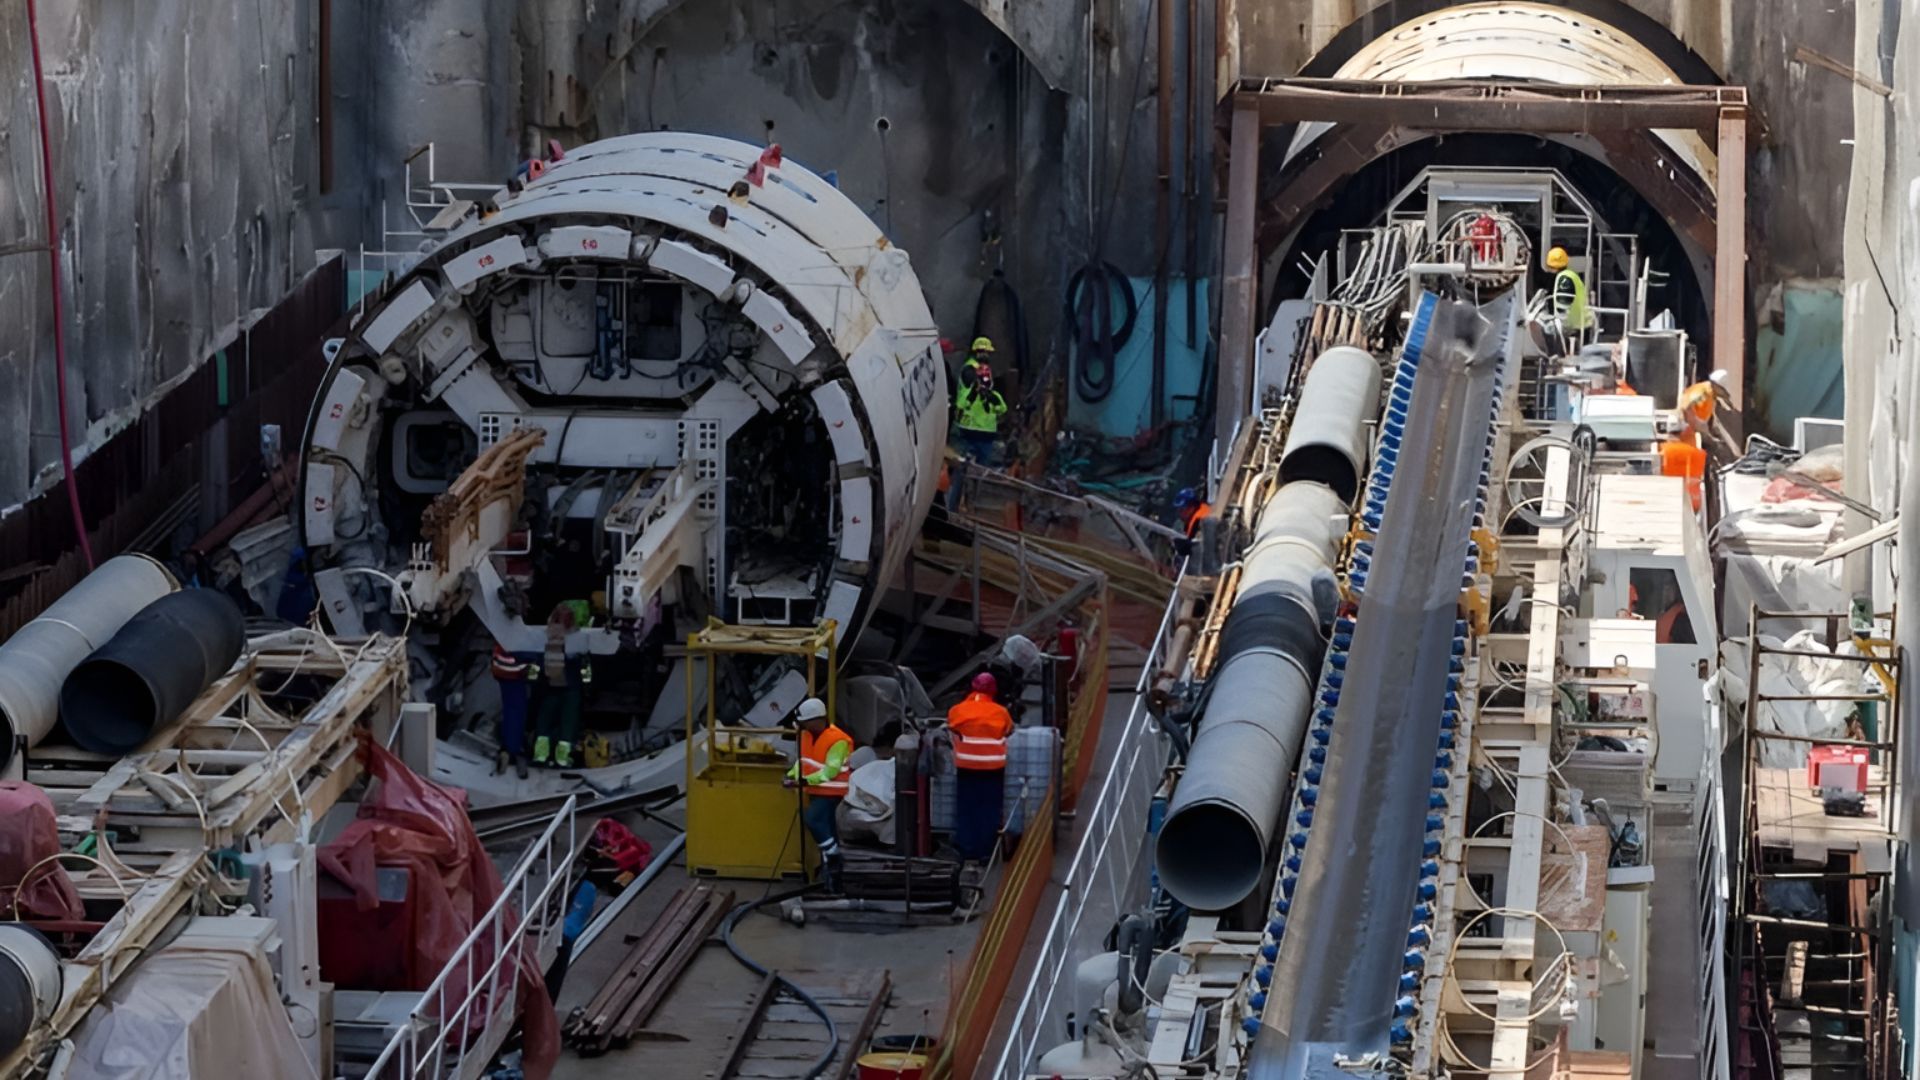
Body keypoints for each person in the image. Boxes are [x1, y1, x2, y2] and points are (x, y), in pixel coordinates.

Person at [947, 672, 1015, 861]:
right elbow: (1009, 730)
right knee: (989, 808)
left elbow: (951, 727)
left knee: (966, 807)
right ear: (993, 691)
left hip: (966, 766)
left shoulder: (957, 710)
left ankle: (967, 848)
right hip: (993, 769)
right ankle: (985, 851)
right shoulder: (1001, 712)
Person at [785, 697, 851, 889]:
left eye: (805, 722)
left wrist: (805, 781)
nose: (802, 726)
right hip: (815, 790)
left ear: (816, 720)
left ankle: (833, 857)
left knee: (813, 819)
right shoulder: (807, 736)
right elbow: (804, 762)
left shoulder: (837, 739)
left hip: (832, 793)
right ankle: (831, 882)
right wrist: (791, 775)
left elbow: (831, 770)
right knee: (827, 830)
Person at [533, 602, 593, 768]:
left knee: (544, 723)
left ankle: (540, 756)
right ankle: (562, 759)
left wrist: (533, 681)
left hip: (549, 686)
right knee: (568, 724)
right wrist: (588, 687)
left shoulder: (546, 635)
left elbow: (537, 660)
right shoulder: (578, 637)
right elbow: (584, 664)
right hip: (571, 687)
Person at [491, 643, 535, 778]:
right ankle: (513, 750)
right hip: (515, 671)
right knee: (517, 711)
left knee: (510, 708)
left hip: (502, 667)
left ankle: (508, 747)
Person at [953, 362, 1008, 465]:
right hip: (969, 434)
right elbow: (960, 405)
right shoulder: (968, 392)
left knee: (984, 465)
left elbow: (1002, 409)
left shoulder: (994, 394)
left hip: (986, 436)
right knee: (964, 464)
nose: (983, 383)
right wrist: (973, 395)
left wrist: (991, 398)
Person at [1546, 246, 1594, 339]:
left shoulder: (1564, 278)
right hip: (1582, 324)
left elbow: (1563, 303)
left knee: (1546, 331)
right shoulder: (1572, 275)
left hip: (1574, 327)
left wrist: (1560, 326)